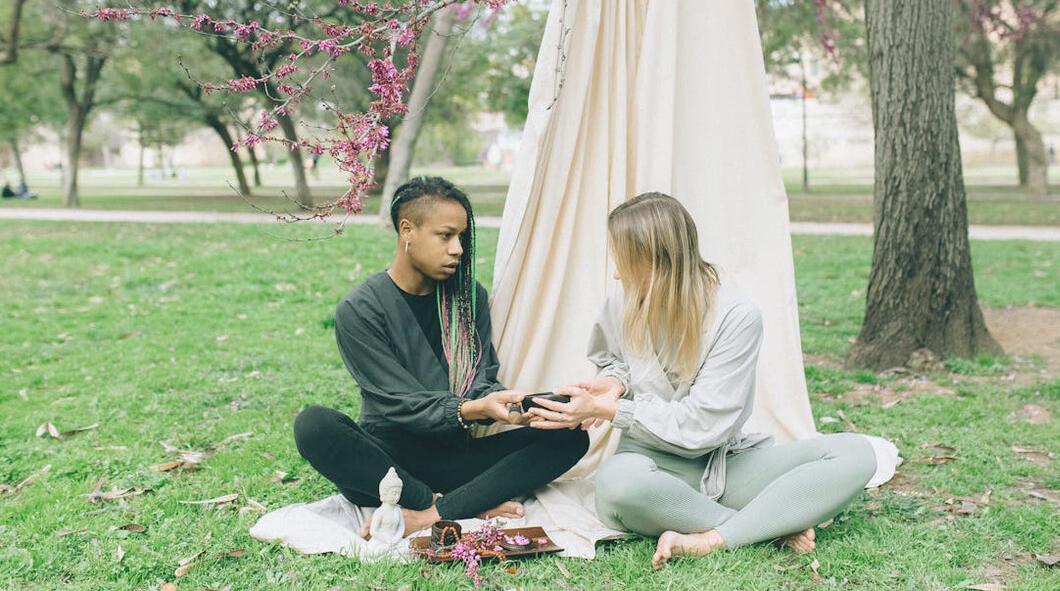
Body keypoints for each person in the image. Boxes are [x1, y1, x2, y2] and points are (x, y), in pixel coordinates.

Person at [527, 192, 876, 569]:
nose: (616, 273)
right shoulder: (622, 301)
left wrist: (611, 409)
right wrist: (614, 384)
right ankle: (768, 525)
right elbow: (617, 359)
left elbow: (702, 427)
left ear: (656, 262)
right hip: (649, 466)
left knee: (858, 454)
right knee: (617, 483)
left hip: (722, 465)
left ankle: (710, 538)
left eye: (623, 261)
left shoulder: (737, 317)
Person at [293, 176, 588, 538]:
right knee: (313, 425)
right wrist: (469, 410)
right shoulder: (360, 309)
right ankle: (453, 502)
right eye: (446, 235)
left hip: (456, 456)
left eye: (462, 237)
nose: (458, 249)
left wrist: (524, 410)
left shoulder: (469, 299)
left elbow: (481, 378)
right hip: (388, 464)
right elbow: (398, 401)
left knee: (571, 437)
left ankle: (430, 513)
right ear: (408, 231)